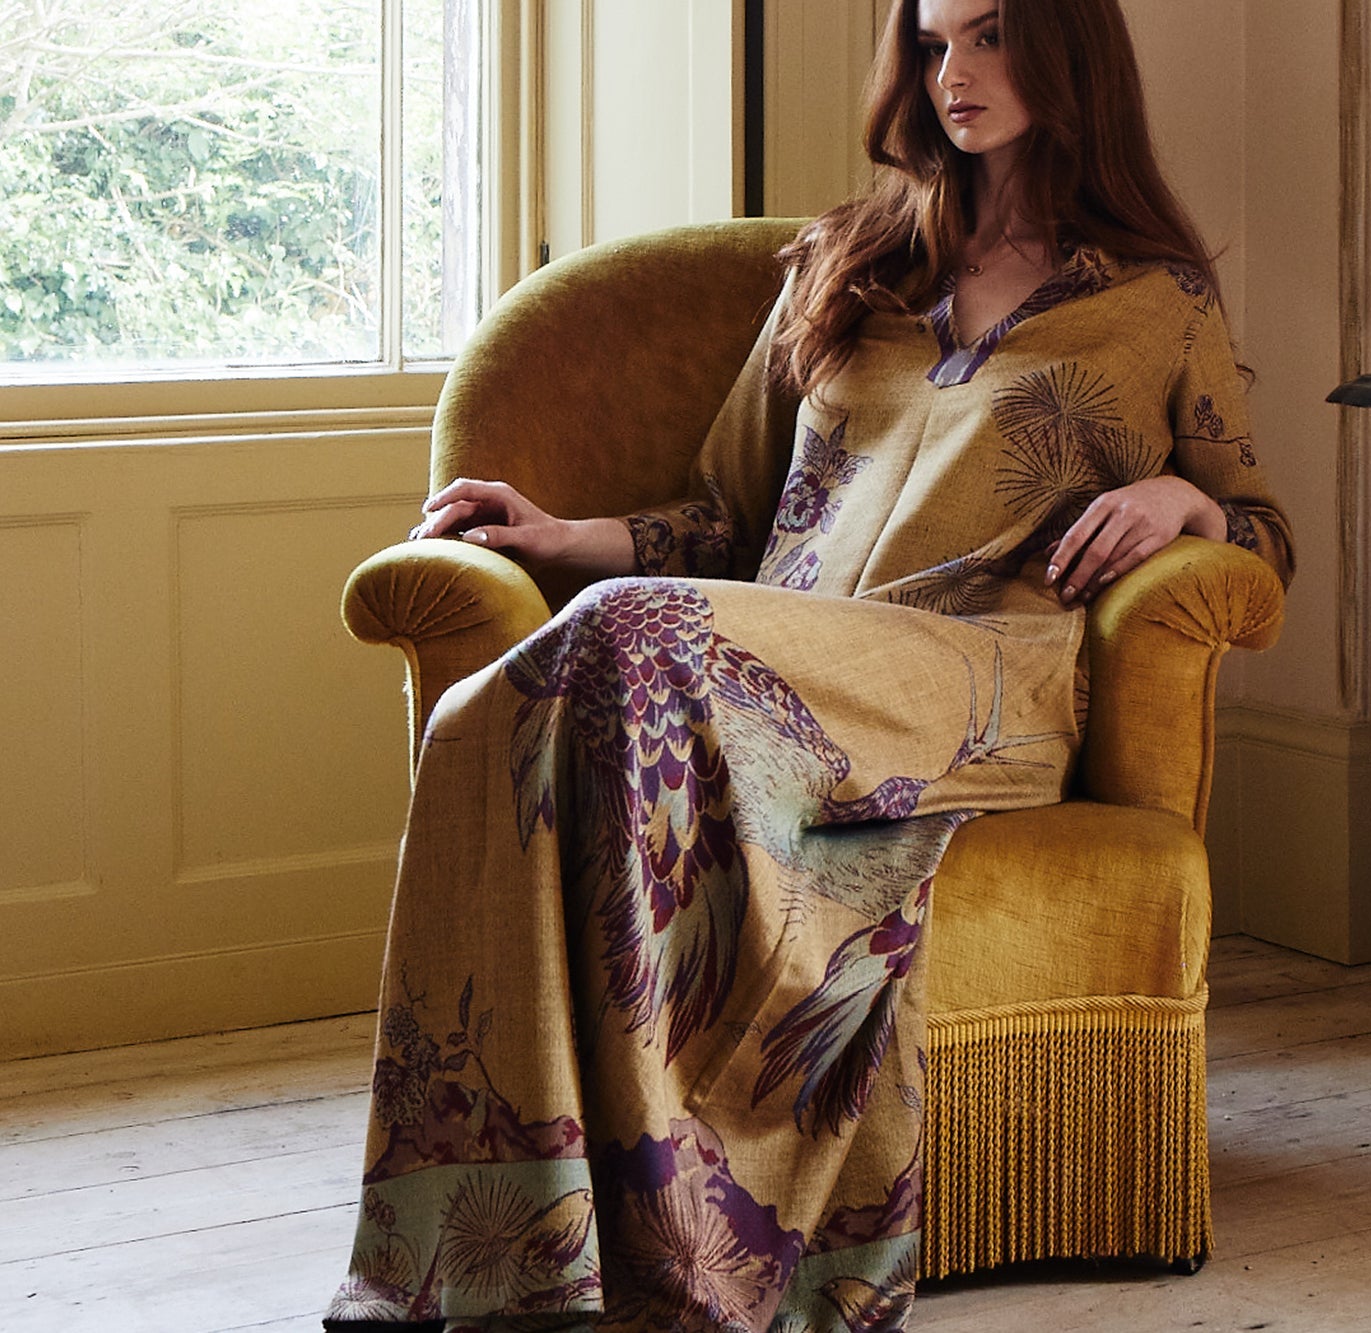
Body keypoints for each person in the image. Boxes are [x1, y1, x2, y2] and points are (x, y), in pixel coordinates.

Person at [326, 0, 1292, 1329]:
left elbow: (1265, 533)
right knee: (485, 721)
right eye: (936, 40)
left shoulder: (1156, 298)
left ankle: (667, 1254)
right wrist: (565, 537)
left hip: (980, 673)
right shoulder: (846, 264)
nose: (956, 73)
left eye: (994, 36)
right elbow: (727, 513)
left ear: (1070, 52)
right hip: (776, 651)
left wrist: (1190, 509)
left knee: (624, 638)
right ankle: (510, 1248)